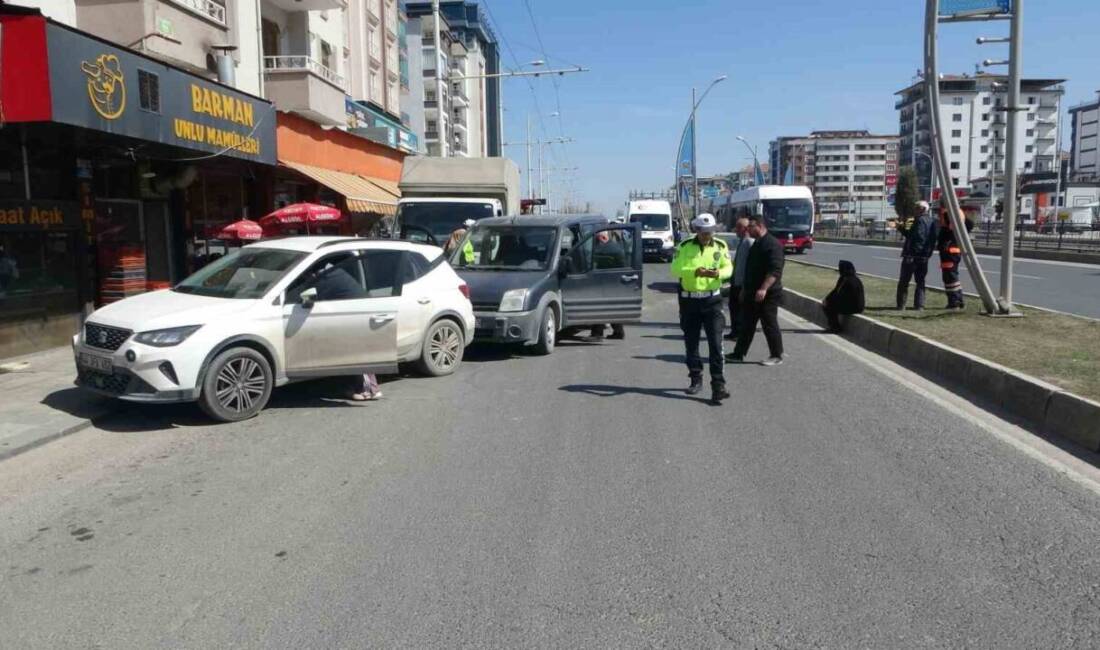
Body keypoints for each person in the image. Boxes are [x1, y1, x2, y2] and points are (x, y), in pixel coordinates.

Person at [670, 213, 732, 403]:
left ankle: (718, 385)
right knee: (692, 343)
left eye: (710, 232)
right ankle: (695, 378)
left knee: (716, 344)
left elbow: (729, 268)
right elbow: (675, 269)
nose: (707, 235)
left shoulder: (720, 246)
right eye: (703, 232)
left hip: (712, 301)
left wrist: (717, 273)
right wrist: (694, 272)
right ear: (696, 230)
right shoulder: (684, 246)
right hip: (690, 302)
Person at [728, 213, 785, 366]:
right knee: (747, 324)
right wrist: (744, 289)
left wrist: (763, 288)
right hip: (751, 291)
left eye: (750, 226)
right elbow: (750, 269)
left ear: (760, 226)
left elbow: (775, 271)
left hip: (767, 293)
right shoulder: (757, 243)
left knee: (769, 324)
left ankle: (776, 355)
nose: (748, 229)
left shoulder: (772, 244)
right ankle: (738, 353)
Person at [896, 200, 939, 311]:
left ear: (923, 209)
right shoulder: (932, 221)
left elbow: (913, 236)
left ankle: (901, 305)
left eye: (917, 207)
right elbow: (933, 239)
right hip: (924, 256)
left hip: (912, 255)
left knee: (904, 281)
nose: (914, 209)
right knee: (920, 282)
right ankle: (919, 305)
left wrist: (900, 227)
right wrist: (928, 253)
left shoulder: (918, 220)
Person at [589, 229, 627, 340]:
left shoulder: (606, 249)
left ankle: (597, 333)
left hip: (607, 282)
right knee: (611, 308)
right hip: (614, 283)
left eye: (597, 240)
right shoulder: (615, 247)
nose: (596, 243)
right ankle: (618, 332)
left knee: (599, 307)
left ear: (603, 238)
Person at [938, 211, 974, 309]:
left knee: (950, 278)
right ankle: (958, 300)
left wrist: (956, 215)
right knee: (952, 277)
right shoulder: (959, 225)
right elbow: (970, 225)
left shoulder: (950, 220)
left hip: (949, 253)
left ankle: (955, 302)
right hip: (952, 252)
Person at [726, 217, 754, 341]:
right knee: (733, 307)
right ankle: (734, 331)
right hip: (735, 281)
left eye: (738, 227)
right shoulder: (741, 242)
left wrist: (745, 285)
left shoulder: (749, 242)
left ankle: (740, 334)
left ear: (746, 229)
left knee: (740, 310)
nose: (736, 230)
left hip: (742, 283)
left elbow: (750, 265)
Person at [822, 260, 865, 332]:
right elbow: (836, 292)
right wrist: (828, 299)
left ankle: (835, 327)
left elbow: (838, 294)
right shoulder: (854, 278)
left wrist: (827, 301)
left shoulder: (846, 280)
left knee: (829, 306)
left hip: (853, 307)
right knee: (829, 303)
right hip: (858, 306)